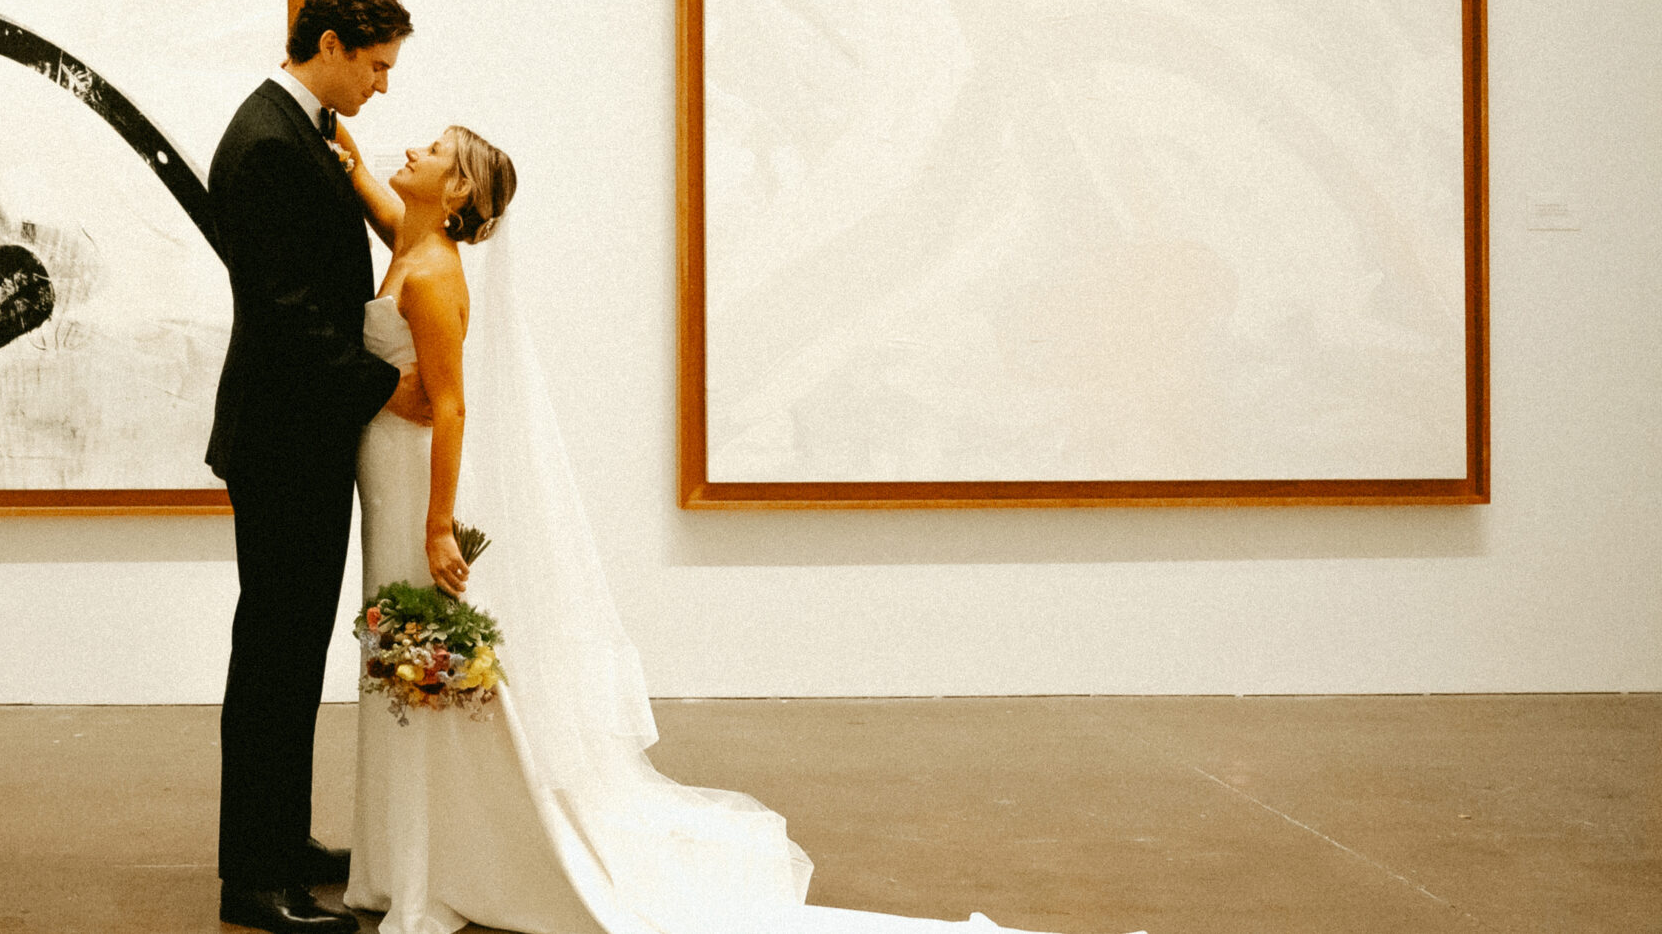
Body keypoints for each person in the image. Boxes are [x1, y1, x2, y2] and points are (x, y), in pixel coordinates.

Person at [329, 120, 1140, 934]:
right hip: (389, 474)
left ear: (460, 190)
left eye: (431, 153)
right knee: (402, 647)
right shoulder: (413, 239)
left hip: (414, 480)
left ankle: (446, 852)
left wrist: (440, 525)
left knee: (419, 643)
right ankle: (412, 849)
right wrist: (357, 167)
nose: (412, 153)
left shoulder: (433, 274)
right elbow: (390, 222)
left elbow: (453, 405)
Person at [207, 0, 430, 934]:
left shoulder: (298, 132)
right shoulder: (266, 145)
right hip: (283, 436)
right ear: (332, 45)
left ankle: (280, 844)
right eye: (377, 66)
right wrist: (389, 387)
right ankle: (255, 881)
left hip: (297, 431)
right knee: (274, 658)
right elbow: (289, 311)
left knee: (290, 652)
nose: (383, 87)